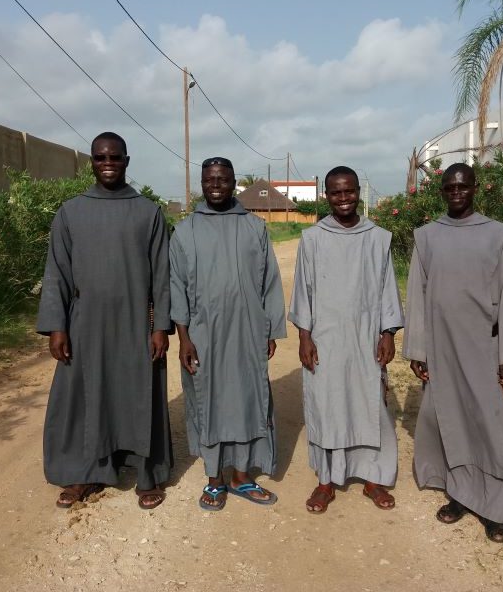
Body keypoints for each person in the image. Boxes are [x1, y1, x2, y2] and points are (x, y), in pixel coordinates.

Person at [36, 132, 173, 510]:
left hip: (135, 323)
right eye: (100, 157)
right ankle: (84, 473)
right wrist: (57, 326)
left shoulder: (148, 212)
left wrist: (160, 325)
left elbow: (162, 273)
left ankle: (147, 476)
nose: (107, 162)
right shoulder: (71, 212)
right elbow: (57, 273)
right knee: (84, 398)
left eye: (115, 157)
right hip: (86, 325)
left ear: (127, 161)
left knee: (139, 394)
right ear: (92, 162)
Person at [403, 162, 503, 543]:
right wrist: (418, 349)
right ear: (442, 191)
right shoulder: (426, 236)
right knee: (450, 419)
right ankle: (460, 494)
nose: (456, 192)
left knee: (488, 424)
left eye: (463, 186)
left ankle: (497, 507)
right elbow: (417, 295)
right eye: (449, 187)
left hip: (483, 346)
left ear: (476, 188)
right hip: (442, 347)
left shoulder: (496, 235)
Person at [169, 157, 287, 511]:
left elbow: (270, 283)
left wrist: (270, 330)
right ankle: (213, 480)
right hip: (204, 336)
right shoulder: (185, 231)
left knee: (249, 401)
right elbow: (175, 286)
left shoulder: (255, 227)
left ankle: (241, 476)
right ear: (201, 184)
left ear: (233, 182)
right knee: (209, 402)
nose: (215, 185)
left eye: (222, 179)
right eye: (209, 180)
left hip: (248, 332)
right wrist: (184, 338)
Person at [289, 166, 404, 514]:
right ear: (327, 195)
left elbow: (386, 289)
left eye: (349, 191)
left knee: (369, 405)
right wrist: (304, 336)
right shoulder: (313, 239)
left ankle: (372, 477)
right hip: (325, 338)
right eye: (336, 193)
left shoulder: (378, 238)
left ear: (358, 192)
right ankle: (326, 480)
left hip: (366, 337)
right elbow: (303, 291)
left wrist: (388, 333)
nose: (343, 198)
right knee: (327, 406)